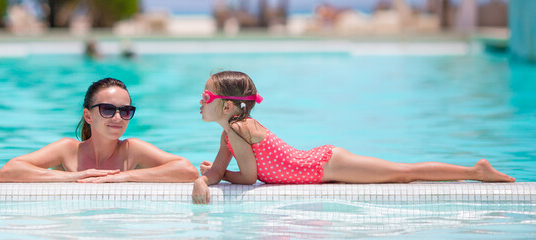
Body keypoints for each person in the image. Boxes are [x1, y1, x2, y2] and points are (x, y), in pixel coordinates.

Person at [192, 71, 515, 204]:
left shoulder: (238, 132)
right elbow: (217, 173)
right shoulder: (229, 135)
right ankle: (473, 172)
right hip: (322, 166)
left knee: (403, 174)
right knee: (402, 173)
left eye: (206, 96)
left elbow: (247, 179)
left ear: (228, 106)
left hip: (327, 166)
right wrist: (204, 180)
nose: (201, 101)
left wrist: (219, 176)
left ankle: (476, 172)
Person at [0, 78, 198, 183]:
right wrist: (72, 177)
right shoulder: (68, 150)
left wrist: (125, 176)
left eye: (125, 110)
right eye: (108, 109)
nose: (118, 118)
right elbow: (8, 171)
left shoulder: (132, 149)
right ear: (88, 116)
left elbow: (187, 170)